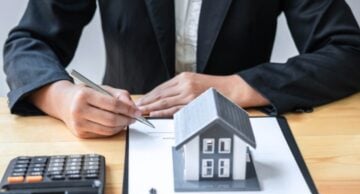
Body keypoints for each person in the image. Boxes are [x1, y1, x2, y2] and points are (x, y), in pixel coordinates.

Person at [3, 0, 360, 138]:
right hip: (123, 134)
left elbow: (349, 51)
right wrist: (61, 97)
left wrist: (235, 87)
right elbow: (28, 41)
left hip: (244, 132)